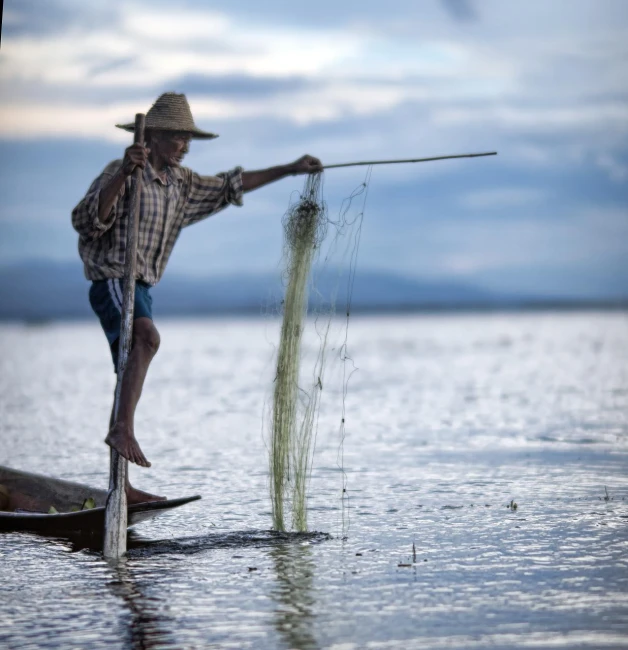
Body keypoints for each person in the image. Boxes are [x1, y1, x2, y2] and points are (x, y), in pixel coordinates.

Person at [72, 92, 322, 502]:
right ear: (150, 137)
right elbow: (86, 222)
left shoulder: (182, 185)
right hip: (114, 279)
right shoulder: (122, 172)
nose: (184, 147)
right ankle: (121, 430)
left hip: (143, 287)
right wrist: (122, 176)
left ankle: (122, 484)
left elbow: (231, 186)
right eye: (176, 139)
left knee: (130, 364)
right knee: (147, 339)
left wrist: (291, 169)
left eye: (188, 141)